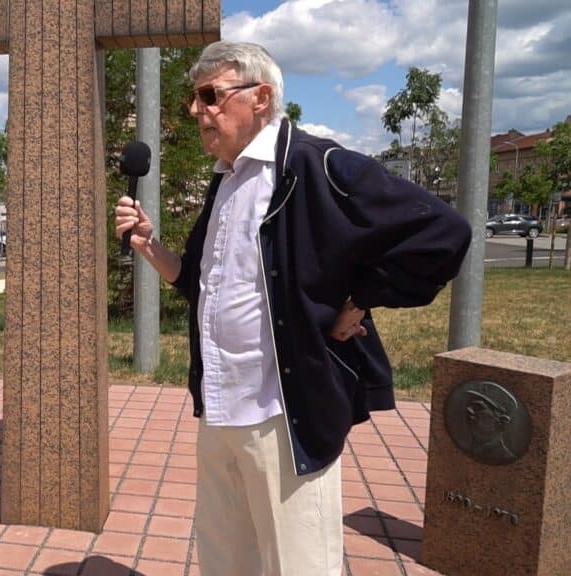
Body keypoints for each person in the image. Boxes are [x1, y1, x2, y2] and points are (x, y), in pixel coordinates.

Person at [114, 41, 471, 575]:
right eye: (194, 98)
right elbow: (199, 281)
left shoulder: (319, 164)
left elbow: (444, 231)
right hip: (219, 409)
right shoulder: (225, 178)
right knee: (226, 562)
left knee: (298, 565)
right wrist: (149, 246)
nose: (196, 110)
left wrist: (361, 300)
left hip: (285, 414)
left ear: (260, 97)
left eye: (210, 95)